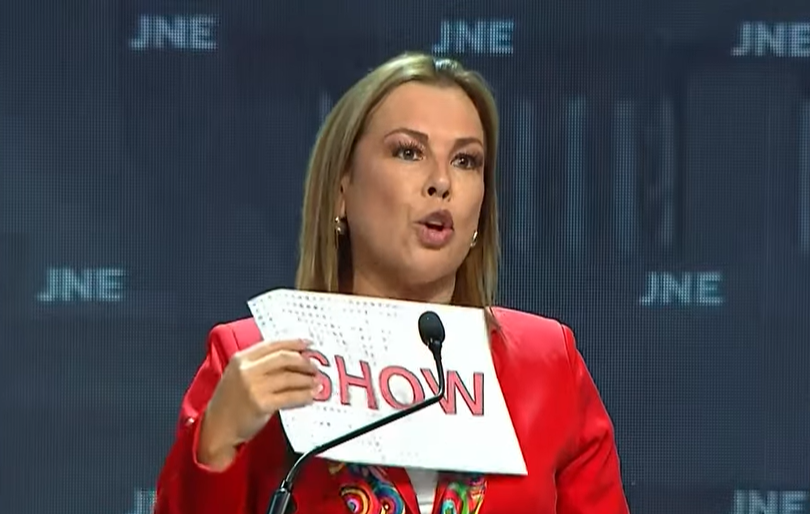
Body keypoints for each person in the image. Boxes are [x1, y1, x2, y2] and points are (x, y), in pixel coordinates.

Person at [153, 52, 630, 514]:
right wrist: (217, 441)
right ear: (341, 190)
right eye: (408, 152)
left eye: (466, 161)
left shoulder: (547, 366)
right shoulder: (255, 356)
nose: (441, 182)